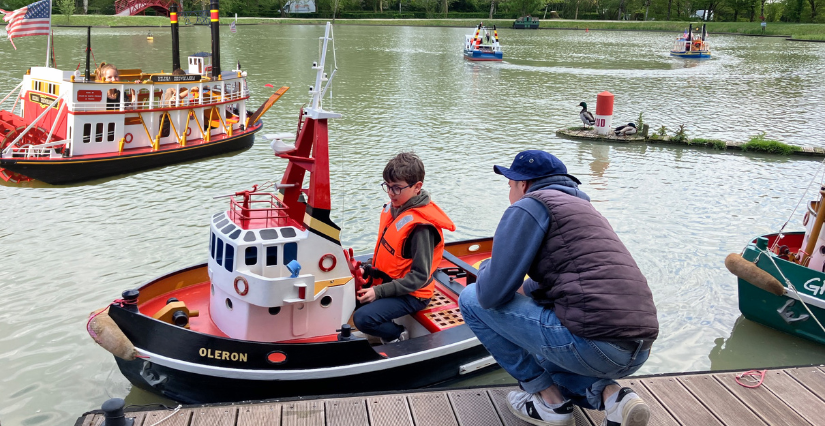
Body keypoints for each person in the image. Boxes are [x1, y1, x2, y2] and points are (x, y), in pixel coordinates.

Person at [458, 150, 658, 426]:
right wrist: (524, 289)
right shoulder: (584, 211)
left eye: (510, 185)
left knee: (470, 299)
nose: (509, 193)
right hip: (638, 350)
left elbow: (490, 295)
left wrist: (485, 269)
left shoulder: (529, 205)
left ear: (524, 184)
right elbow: (563, 282)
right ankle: (616, 398)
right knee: (547, 361)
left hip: (593, 344)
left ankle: (548, 403)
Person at [353, 152, 456, 344]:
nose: (391, 193)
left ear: (417, 187)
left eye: (397, 188)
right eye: (388, 186)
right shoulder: (395, 210)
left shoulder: (420, 229)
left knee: (362, 318)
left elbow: (419, 277)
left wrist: (378, 292)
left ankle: (396, 335)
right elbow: (389, 253)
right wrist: (366, 267)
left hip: (413, 295)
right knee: (349, 294)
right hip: (390, 283)